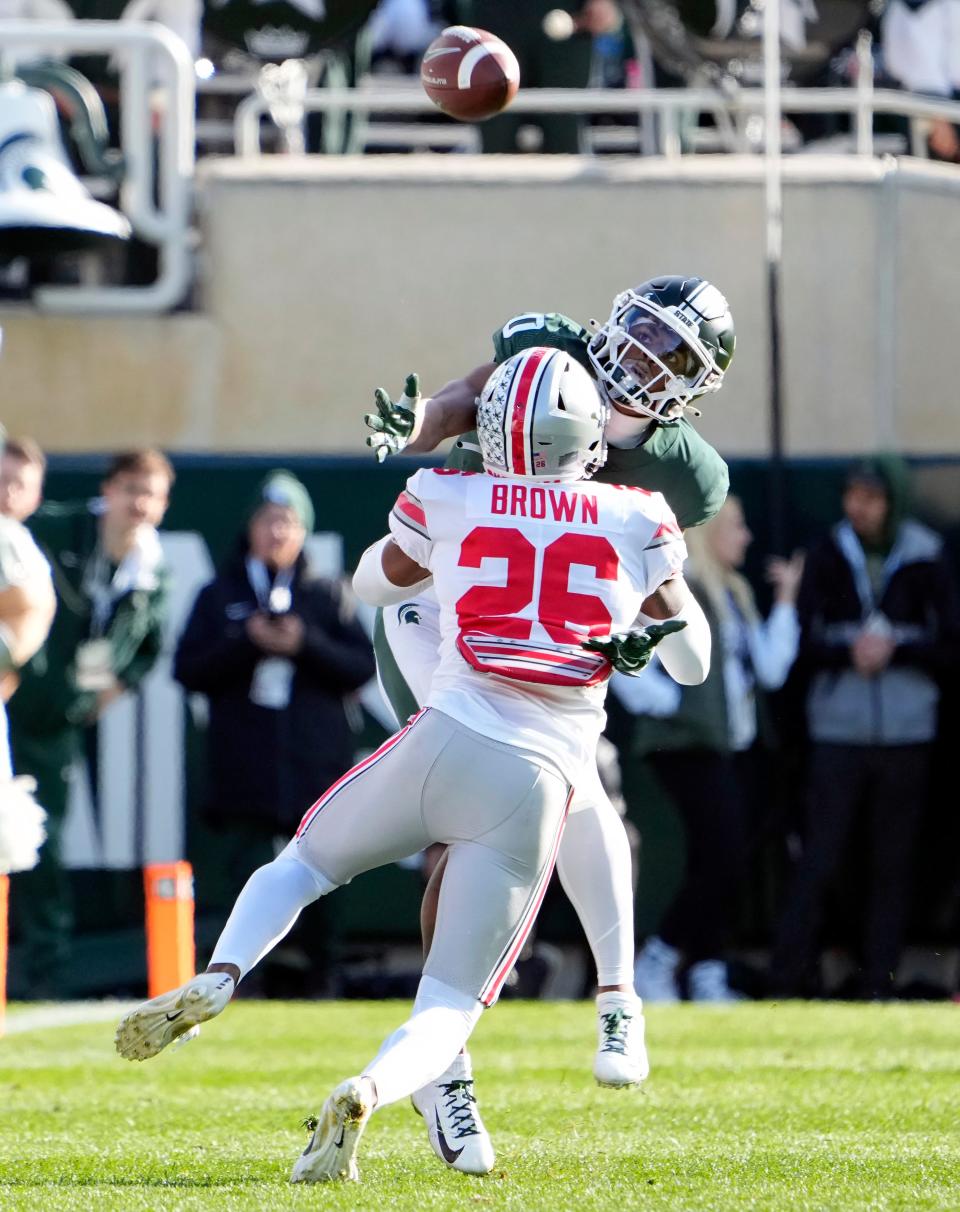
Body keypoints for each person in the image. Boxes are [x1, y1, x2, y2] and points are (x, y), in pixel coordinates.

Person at [115, 347, 711, 1185]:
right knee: (447, 1005)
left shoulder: (450, 494)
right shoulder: (637, 516)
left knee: (301, 865)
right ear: (587, 438)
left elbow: (371, 584)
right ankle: (374, 1085)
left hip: (443, 733)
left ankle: (221, 973)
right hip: (535, 780)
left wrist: (449, 565)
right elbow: (694, 665)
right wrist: (652, 622)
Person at [363, 275, 734, 1162]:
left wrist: (632, 629)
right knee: (458, 829)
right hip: (446, 611)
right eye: (642, 330)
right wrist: (417, 427)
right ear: (614, 315)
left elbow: (644, 579)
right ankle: (447, 1068)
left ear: (696, 386)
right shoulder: (549, 342)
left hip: (551, 660)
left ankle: (612, 1000)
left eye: (672, 354)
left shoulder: (689, 475)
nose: (643, 356)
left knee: (576, 813)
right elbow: (461, 399)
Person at [173, 470, 376, 994]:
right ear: (250, 528)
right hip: (246, 767)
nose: (277, 533)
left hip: (315, 766)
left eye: (287, 522)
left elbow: (359, 667)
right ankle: (240, 982)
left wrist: (303, 644)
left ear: (303, 532)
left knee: (325, 874)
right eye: (268, 520)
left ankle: (323, 979)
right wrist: (247, 642)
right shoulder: (220, 594)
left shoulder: (329, 595)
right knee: (246, 874)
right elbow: (188, 670)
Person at [769, 456, 960, 1000]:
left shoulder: (927, 556)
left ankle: (879, 981)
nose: (860, 508)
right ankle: (787, 979)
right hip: (837, 731)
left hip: (907, 735)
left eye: (872, 498)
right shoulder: (826, 552)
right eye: (853, 495)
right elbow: (802, 645)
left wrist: (896, 650)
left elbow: (950, 643)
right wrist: (847, 651)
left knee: (893, 863)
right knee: (822, 858)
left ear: (892, 502)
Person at [7, 448, 173, 999]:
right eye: (131, 489)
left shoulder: (151, 569)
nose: (139, 504)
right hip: (12, 700)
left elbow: (148, 647)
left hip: (55, 723)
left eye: (151, 493)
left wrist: (103, 695)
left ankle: (41, 974)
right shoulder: (54, 529)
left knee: (39, 843)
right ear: (108, 490)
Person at [630, 496, 802, 1002]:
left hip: (731, 747)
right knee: (722, 855)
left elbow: (769, 668)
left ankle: (706, 973)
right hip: (683, 746)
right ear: (708, 533)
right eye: (736, 526)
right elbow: (624, 652)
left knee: (720, 858)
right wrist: (672, 702)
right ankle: (656, 961)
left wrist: (788, 600)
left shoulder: (735, 592)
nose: (745, 537)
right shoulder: (678, 590)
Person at [0, 436, 45, 525]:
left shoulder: (22, 538)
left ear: (37, 499)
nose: (10, 491)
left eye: (20, 485)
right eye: (4, 480)